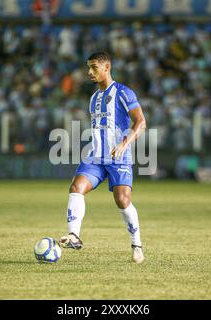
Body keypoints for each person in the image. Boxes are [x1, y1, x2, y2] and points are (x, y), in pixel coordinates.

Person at [59, 52, 147, 263]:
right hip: (96, 156)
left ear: (107, 68)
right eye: (88, 67)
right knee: (76, 187)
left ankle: (136, 244)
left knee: (122, 200)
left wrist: (124, 144)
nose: (89, 72)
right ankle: (74, 235)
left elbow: (141, 123)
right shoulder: (94, 98)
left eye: (94, 68)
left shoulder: (124, 93)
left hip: (119, 157)